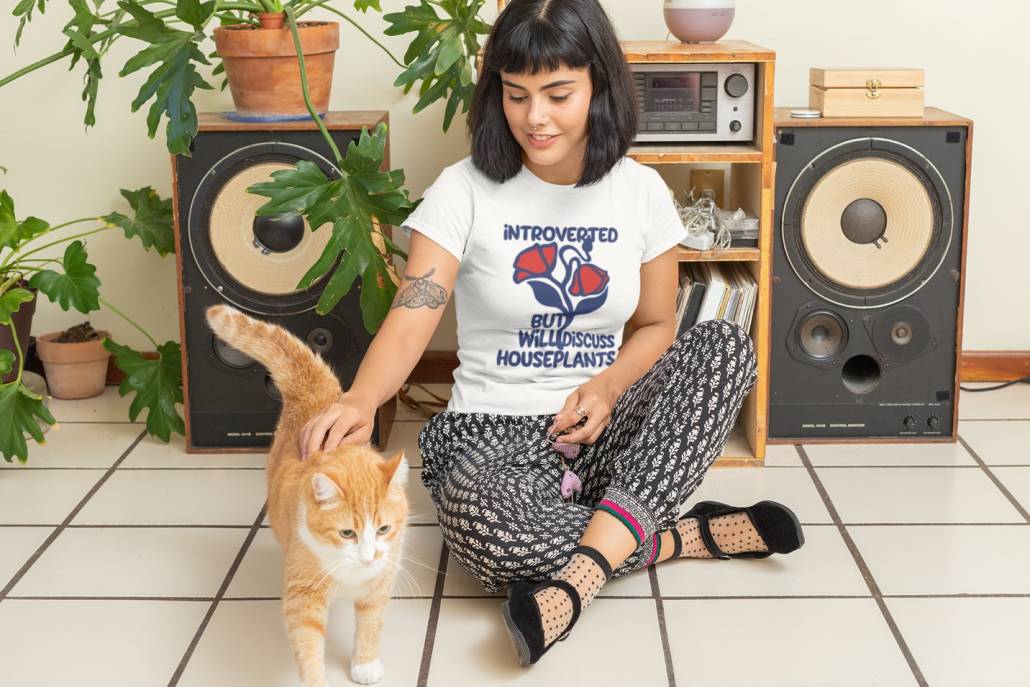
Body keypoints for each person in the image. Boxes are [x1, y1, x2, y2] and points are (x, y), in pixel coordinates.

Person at [299, 0, 804, 667]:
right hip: (490, 441)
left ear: (600, 86)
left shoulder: (641, 193)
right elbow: (414, 311)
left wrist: (608, 385)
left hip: (604, 422)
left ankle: (576, 576)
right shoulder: (462, 191)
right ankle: (671, 534)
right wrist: (362, 399)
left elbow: (657, 325)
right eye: (517, 95)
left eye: (558, 95)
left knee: (725, 348)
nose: (535, 117)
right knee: (488, 535)